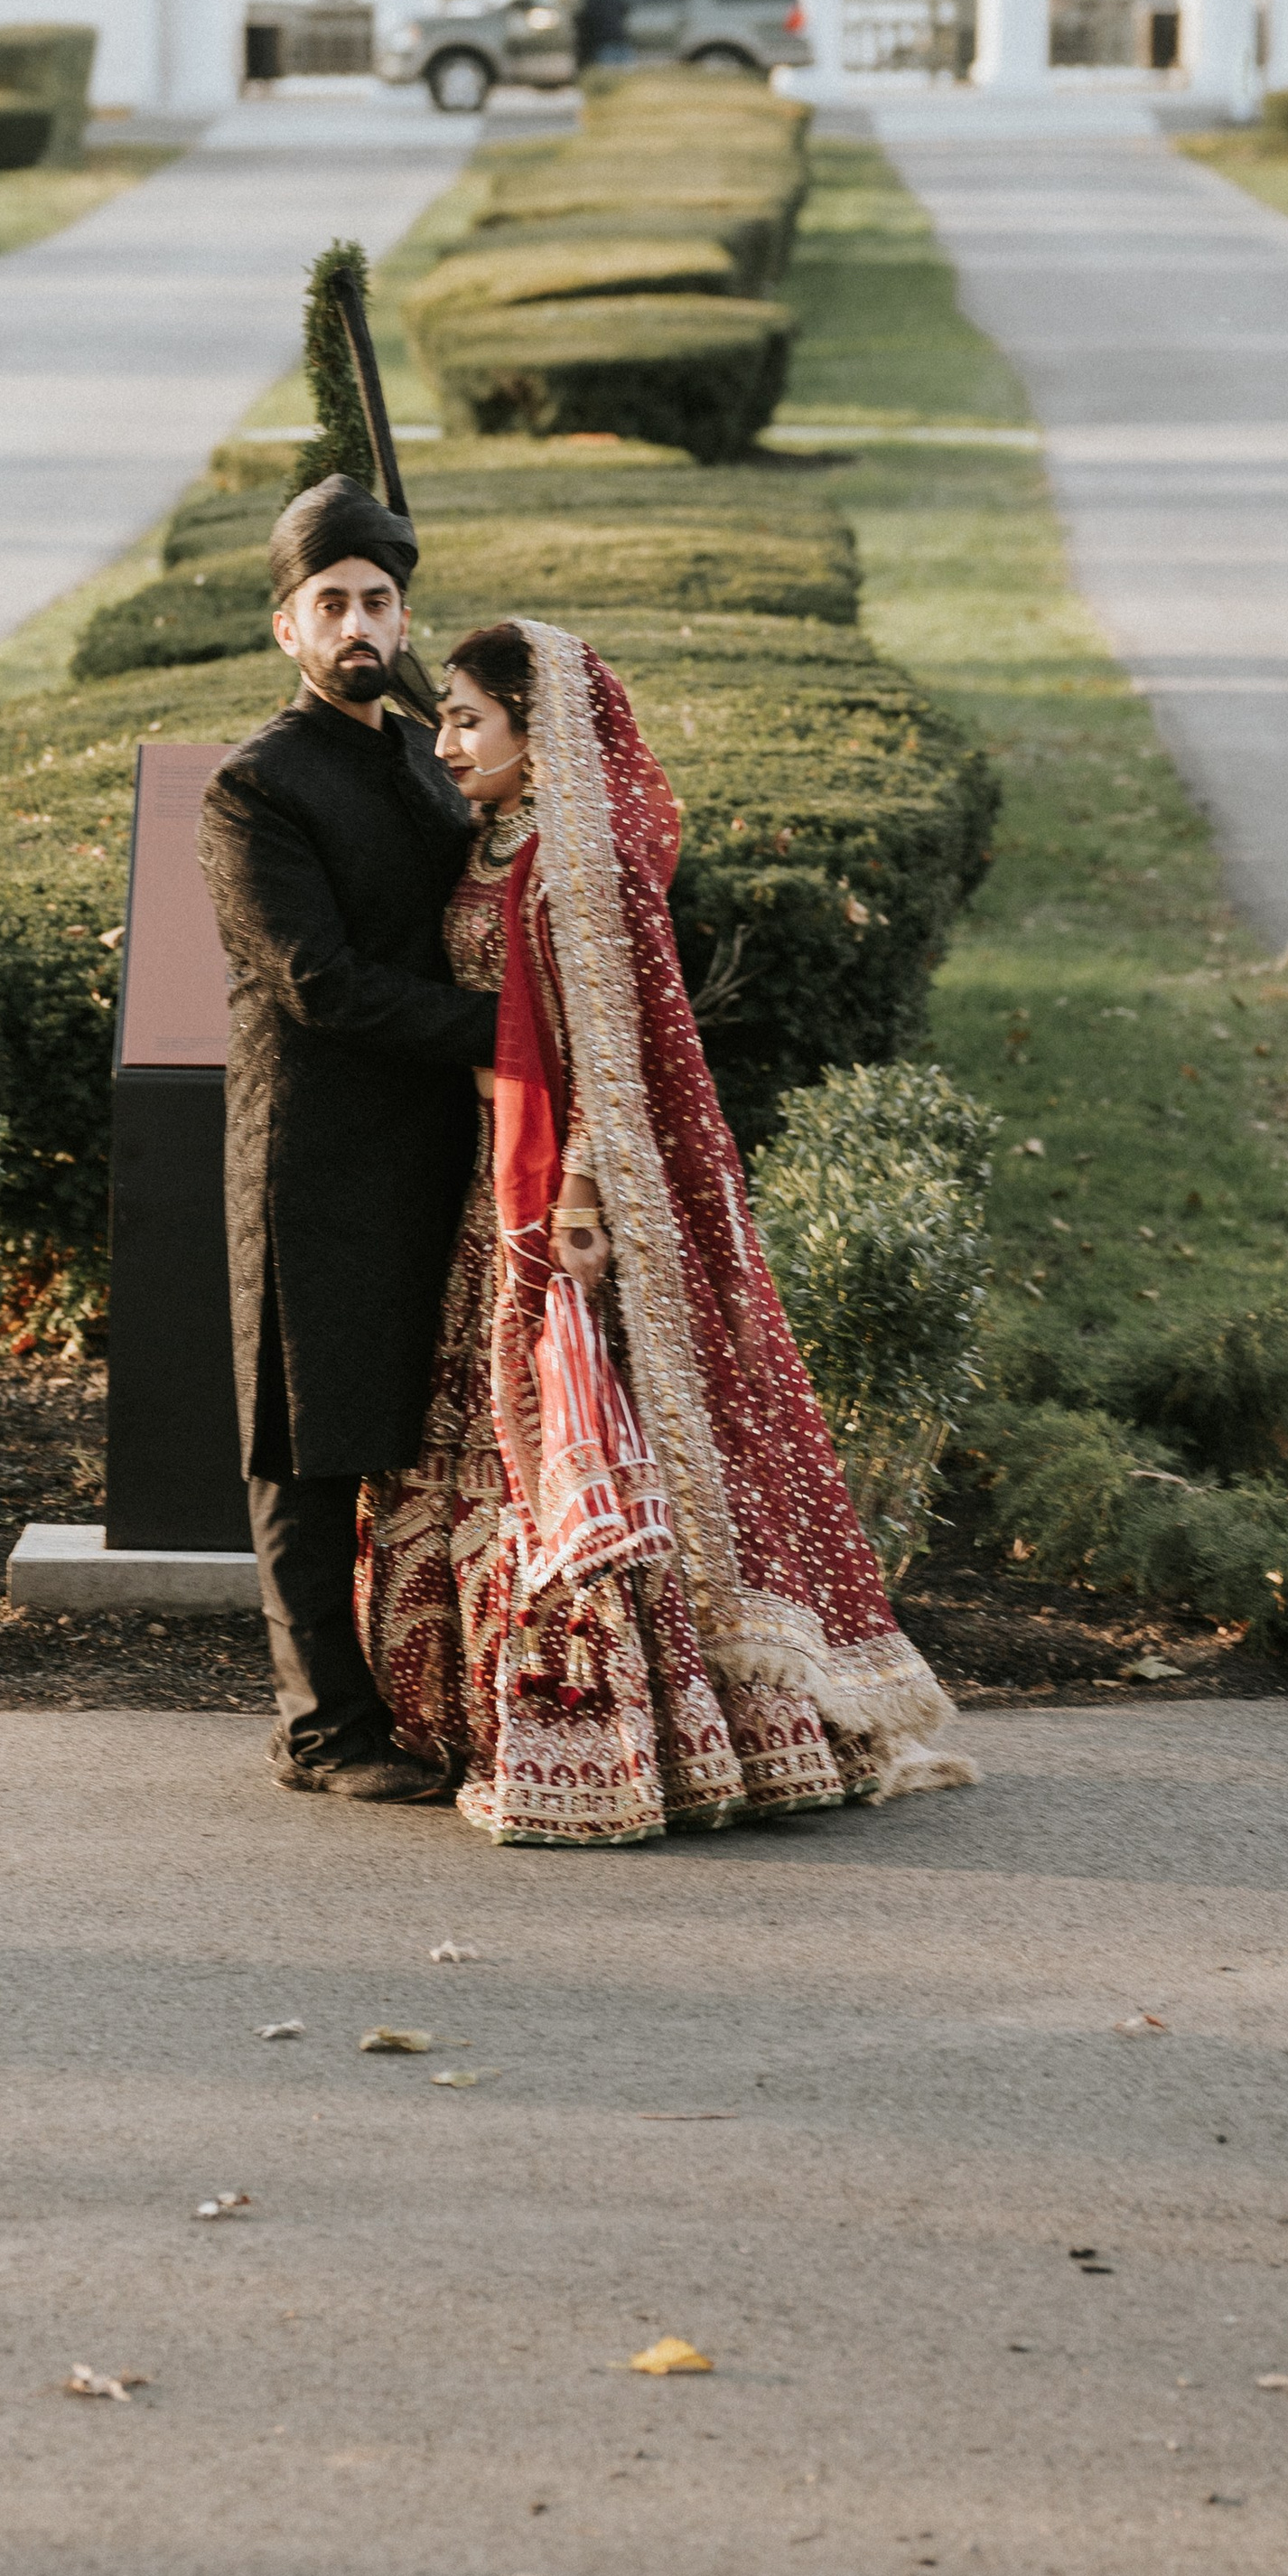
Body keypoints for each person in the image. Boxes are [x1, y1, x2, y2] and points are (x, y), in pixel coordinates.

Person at [359, 615, 976, 1845]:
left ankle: (630, 1734)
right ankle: (491, 1709)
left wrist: (583, 1201)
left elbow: (624, 1058)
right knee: (490, 1435)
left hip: (568, 1196)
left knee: (583, 1428)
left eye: (470, 718)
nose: (448, 740)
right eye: (448, 718)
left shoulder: (580, 866)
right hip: (489, 1180)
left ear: (540, 739)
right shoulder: (493, 842)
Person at [196, 474, 495, 1803]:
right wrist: (500, 1026)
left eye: (377, 600)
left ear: (403, 612)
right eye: (332, 604)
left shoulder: (433, 756)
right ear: (289, 629)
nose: (357, 622)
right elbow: (317, 981)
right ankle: (323, 1727)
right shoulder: (254, 786)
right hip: (311, 1147)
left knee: (416, 1422)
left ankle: (435, 1689)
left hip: (436, 1136)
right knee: (305, 1434)